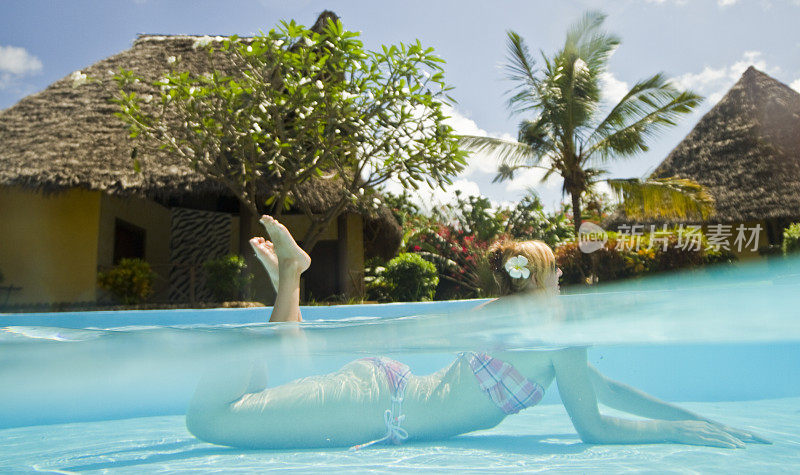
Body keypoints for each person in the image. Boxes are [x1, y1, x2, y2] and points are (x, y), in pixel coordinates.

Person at [186, 215, 768, 450]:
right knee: (211, 418)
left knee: (250, 396)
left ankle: (290, 280)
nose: (563, 275)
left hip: (382, 394)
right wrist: (677, 435)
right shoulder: (548, 335)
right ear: (543, 280)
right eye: (555, 269)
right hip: (380, 406)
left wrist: (692, 417)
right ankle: (289, 276)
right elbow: (594, 427)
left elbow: (606, 389)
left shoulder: (529, 331)